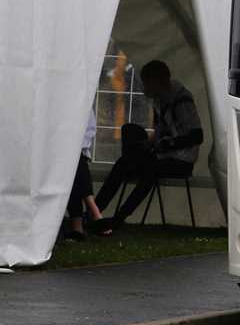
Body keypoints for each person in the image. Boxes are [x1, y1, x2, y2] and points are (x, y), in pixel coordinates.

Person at [91, 61, 203, 235]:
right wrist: (149, 144)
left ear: (158, 81)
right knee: (124, 160)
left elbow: (197, 136)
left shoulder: (180, 100)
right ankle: (94, 213)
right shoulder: (160, 100)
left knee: (150, 170)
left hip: (181, 161)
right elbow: (162, 130)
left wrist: (167, 144)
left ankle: (118, 219)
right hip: (163, 155)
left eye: (146, 82)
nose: (144, 87)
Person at [63, 106, 103, 242]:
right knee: (73, 164)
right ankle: (94, 210)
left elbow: (88, 129)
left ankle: (78, 227)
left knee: (74, 164)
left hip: (75, 150)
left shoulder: (81, 100)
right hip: (60, 151)